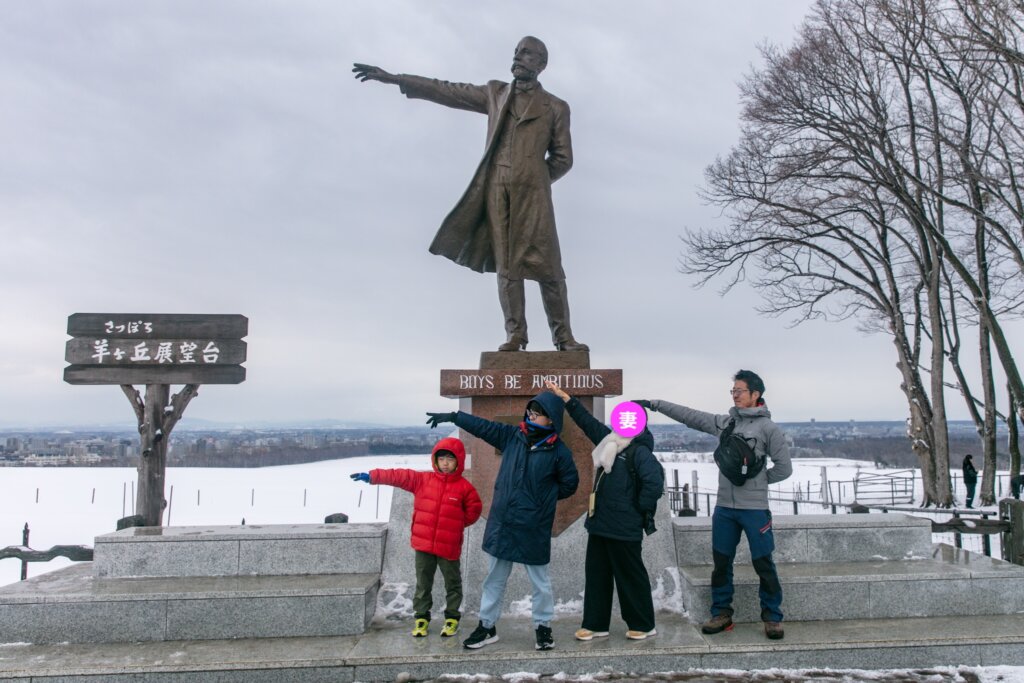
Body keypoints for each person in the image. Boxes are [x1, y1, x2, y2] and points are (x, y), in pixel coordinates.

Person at [353, 36, 588, 353]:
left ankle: (564, 338)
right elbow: (448, 90)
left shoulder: (556, 107)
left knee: (548, 266)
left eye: (527, 54)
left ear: (541, 64)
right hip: (496, 189)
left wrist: (535, 178)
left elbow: (563, 158)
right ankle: (516, 336)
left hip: (533, 194)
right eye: (517, 52)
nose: (518, 57)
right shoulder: (495, 93)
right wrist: (396, 78)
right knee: (507, 265)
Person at [636, 369, 792, 641]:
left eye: (740, 391)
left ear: (756, 394)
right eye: (733, 391)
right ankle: (721, 613)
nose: (735, 395)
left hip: (754, 509)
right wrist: (655, 404)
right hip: (724, 509)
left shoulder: (769, 429)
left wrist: (757, 482)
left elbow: (784, 468)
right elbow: (691, 416)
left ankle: (772, 617)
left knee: (763, 563)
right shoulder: (726, 423)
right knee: (721, 563)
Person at [426, 391, 579, 651]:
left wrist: (540, 500)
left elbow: (570, 484)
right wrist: (455, 416)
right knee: (494, 578)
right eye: (530, 410)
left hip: (534, 525)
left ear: (551, 419)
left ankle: (543, 627)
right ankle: (487, 626)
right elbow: (483, 427)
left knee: (540, 582)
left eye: (537, 412)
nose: (530, 415)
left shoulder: (558, 451)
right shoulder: (512, 436)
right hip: (504, 521)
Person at [544, 381, 664, 641]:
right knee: (597, 575)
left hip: (625, 527)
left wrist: (636, 510)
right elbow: (587, 423)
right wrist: (567, 399)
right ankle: (596, 624)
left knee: (630, 576)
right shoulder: (610, 441)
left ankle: (643, 624)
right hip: (599, 523)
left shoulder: (640, 452)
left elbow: (654, 484)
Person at [350, 437, 482, 638]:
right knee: (423, 584)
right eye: (442, 459)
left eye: (450, 459)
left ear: (459, 461)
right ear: (435, 461)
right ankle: (421, 617)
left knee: (452, 584)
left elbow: (474, 511)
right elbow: (399, 476)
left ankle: (452, 618)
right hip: (424, 545)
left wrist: (455, 524)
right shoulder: (423, 481)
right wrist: (373, 476)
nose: (445, 463)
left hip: (449, 547)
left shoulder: (464, 488)